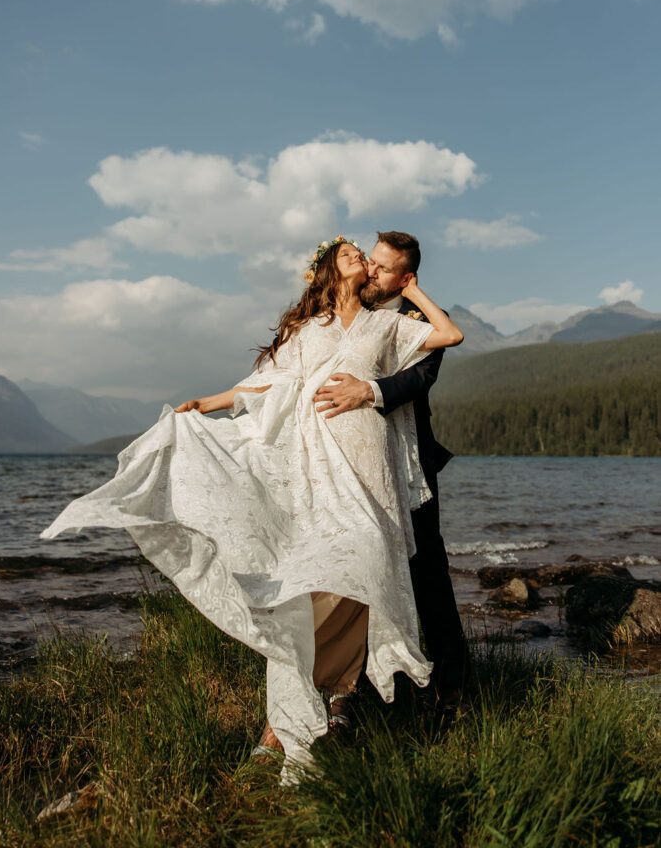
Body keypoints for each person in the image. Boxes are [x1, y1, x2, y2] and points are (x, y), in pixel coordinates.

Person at [40, 237, 463, 778]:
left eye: (374, 259)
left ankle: (345, 698)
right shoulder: (310, 331)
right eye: (355, 254)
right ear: (331, 273)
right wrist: (210, 403)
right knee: (317, 583)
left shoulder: (387, 325)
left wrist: (413, 291)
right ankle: (290, 715)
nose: (364, 258)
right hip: (321, 468)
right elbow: (270, 384)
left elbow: (448, 334)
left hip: (375, 471)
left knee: (367, 575)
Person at [313, 231, 469, 701]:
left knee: (426, 572)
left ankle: (451, 688)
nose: (373, 271)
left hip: (407, 464)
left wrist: (369, 390)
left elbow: (419, 378)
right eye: (372, 262)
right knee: (353, 566)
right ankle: (353, 684)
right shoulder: (345, 310)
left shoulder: (418, 318)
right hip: (352, 462)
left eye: (384, 268)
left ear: (404, 276)